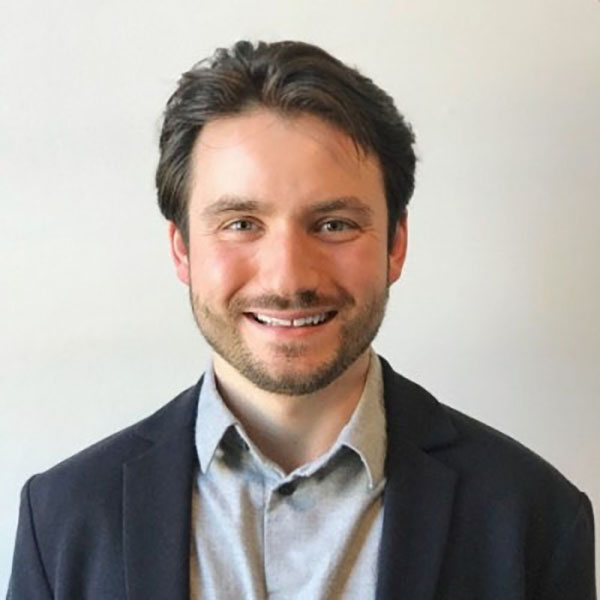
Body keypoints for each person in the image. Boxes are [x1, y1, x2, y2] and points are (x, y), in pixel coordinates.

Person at [7, 40, 596, 600]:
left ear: (396, 244)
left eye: (334, 224)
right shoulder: (62, 520)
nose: (288, 280)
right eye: (241, 224)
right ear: (182, 249)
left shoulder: (535, 517)